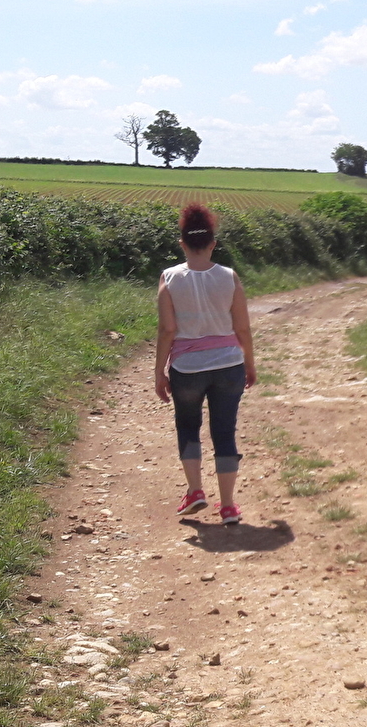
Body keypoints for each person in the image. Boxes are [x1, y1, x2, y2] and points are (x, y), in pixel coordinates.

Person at [154, 204, 257, 525]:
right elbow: (242, 328)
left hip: (187, 368)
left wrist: (159, 371)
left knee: (188, 428)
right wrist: (249, 363)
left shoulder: (169, 278)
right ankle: (228, 507)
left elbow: (167, 329)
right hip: (229, 365)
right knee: (225, 432)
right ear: (213, 243)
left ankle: (195, 491)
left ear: (182, 243)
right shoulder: (229, 277)